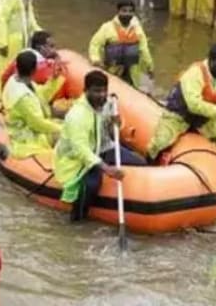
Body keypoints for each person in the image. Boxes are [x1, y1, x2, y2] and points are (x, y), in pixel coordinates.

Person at [53, 71, 147, 222]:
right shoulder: (77, 116)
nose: (101, 95)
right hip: (80, 159)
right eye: (97, 91)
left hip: (105, 147)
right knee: (91, 185)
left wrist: (114, 122)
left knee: (141, 163)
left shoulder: (107, 103)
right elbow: (81, 150)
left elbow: (110, 132)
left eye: (104, 90)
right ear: (86, 91)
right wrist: (106, 169)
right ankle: (77, 219)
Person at [148, 43, 216, 161]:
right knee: (159, 145)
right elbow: (194, 105)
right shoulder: (195, 74)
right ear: (211, 61)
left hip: (203, 120)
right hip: (178, 116)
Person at [3, 51, 62, 159]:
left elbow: (41, 96)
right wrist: (62, 129)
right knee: (64, 135)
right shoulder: (23, 96)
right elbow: (38, 124)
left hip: (28, 125)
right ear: (34, 70)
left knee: (65, 126)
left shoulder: (17, 80)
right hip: (25, 136)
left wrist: (53, 79)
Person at [88, 1, 154, 87]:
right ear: (118, 12)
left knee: (140, 86)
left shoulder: (138, 30)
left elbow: (144, 50)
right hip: (112, 70)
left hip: (133, 73)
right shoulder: (107, 28)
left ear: (133, 13)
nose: (127, 14)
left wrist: (150, 67)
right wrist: (95, 59)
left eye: (130, 11)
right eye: (124, 11)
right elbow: (94, 44)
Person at [0, 30, 67, 107]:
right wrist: (57, 58)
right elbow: (61, 74)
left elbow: (4, 76)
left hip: (12, 98)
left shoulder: (21, 57)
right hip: (28, 103)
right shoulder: (42, 66)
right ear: (40, 48)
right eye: (51, 46)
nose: (55, 50)